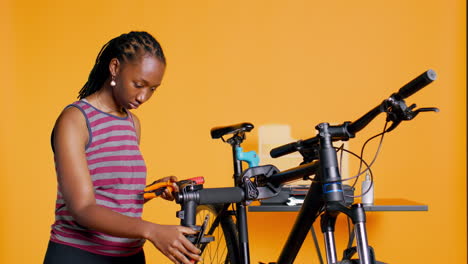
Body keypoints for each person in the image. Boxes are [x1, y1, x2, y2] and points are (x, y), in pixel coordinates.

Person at [43, 31, 201, 264]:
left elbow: (112, 195)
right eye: (139, 84)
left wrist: (151, 190)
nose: (143, 97)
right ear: (115, 67)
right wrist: (152, 231)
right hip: (79, 256)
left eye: (153, 89)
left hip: (129, 257)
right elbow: (83, 207)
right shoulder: (75, 120)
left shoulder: (132, 123)